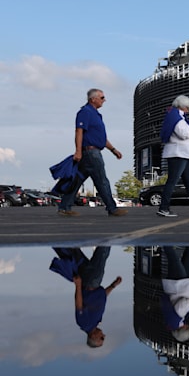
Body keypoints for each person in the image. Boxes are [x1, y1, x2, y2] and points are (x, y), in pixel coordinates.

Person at [57, 89, 128, 217]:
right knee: (102, 180)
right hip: (90, 152)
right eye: (102, 97)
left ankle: (64, 207)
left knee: (77, 180)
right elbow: (79, 132)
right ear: (93, 99)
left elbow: (100, 138)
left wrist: (113, 150)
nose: (104, 100)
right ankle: (112, 208)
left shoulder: (96, 115)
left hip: (92, 151)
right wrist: (78, 151)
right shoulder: (85, 112)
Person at [72, 246, 121, 348]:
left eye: (101, 338)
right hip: (93, 283)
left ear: (93, 337)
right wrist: (113, 285)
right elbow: (101, 298)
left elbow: (79, 304)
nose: (104, 335)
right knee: (73, 252)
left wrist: (78, 285)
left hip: (91, 283)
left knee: (102, 253)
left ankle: (109, 233)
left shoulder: (84, 324)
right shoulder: (95, 322)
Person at [160, 246, 189, 342]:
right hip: (182, 284)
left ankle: (162, 240)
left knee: (174, 258)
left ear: (184, 329)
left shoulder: (178, 318)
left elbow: (184, 302)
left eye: (188, 328)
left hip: (179, 284)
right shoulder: (172, 320)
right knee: (187, 256)